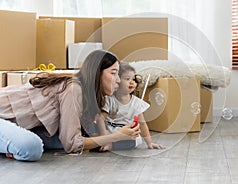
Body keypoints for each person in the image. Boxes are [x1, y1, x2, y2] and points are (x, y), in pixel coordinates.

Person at [0, 50, 140, 161]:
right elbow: (72, 145)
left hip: (19, 125)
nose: (118, 80)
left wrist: (118, 136)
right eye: (114, 73)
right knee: (32, 147)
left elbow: (74, 138)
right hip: (3, 117)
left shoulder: (91, 96)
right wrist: (116, 136)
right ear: (96, 73)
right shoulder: (74, 89)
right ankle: (11, 143)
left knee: (75, 135)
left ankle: (11, 142)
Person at [96, 62, 165, 151]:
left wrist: (149, 143)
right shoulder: (109, 99)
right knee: (94, 127)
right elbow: (101, 119)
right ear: (117, 80)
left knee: (134, 140)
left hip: (126, 136)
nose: (132, 82)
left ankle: (111, 146)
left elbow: (142, 124)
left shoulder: (137, 103)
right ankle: (106, 143)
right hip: (110, 134)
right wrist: (104, 137)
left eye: (133, 79)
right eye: (127, 79)